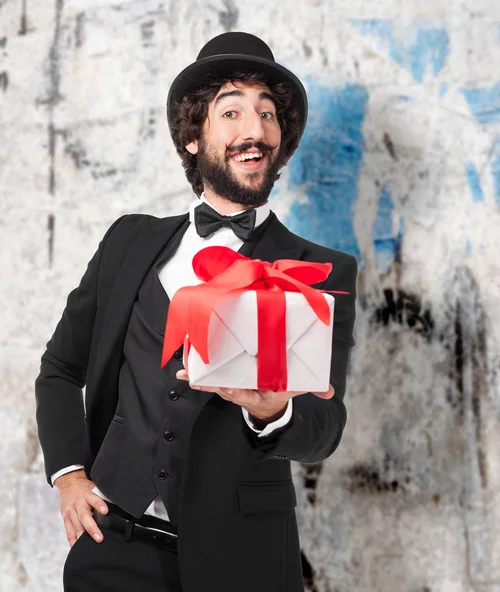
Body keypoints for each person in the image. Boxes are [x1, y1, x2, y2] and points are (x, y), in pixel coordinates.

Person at [35, 31, 358, 592]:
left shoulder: (316, 269)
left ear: (280, 141)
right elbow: (61, 370)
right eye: (231, 111)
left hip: (245, 560)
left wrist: (274, 413)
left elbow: (325, 428)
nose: (253, 129)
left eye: (267, 115)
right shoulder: (128, 244)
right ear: (193, 137)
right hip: (113, 543)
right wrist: (68, 475)